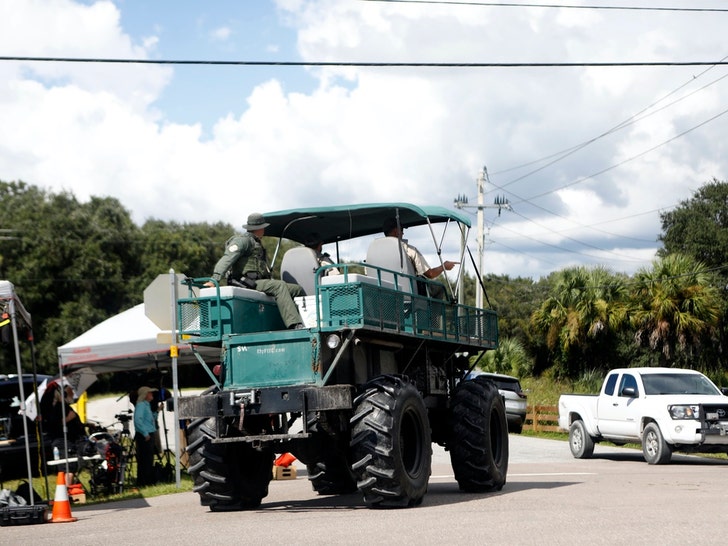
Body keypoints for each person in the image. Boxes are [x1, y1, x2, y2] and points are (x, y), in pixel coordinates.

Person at [209, 212, 306, 329]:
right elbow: (227, 259)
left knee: (297, 289)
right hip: (246, 282)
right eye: (263, 227)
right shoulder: (242, 241)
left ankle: (305, 320)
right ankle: (294, 324)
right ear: (259, 228)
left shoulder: (257, 243)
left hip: (258, 282)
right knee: (279, 286)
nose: (264, 230)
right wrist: (215, 279)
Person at [382, 217, 459, 299]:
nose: (402, 234)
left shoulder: (376, 250)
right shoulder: (408, 250)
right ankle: (433, 312)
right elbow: (430, 274)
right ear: (396, 231)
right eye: (402, 231)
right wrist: (444, 266)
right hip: (407, 294)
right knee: (439, 286)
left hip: (383, 293)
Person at [41, 383, 85, 485]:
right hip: (62, 441)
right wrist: (68, 418)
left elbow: (74, 424)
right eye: (70, 391)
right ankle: (67, 491)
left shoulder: (65, 406)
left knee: (73, 466)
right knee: (68, 468)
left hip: (73, 439)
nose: (73, 394)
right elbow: (54, 425)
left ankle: (72, 489)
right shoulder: (55, 408)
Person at [133, 385, 158, 487]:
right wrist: (145, 433)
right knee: (145, 459)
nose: (152, 394)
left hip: (149, 433)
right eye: (150, 393)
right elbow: (137, 420)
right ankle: (144, 481)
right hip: (145, 436)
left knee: (149, 458)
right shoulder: (141, 405)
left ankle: (147, 480)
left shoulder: (146, 405)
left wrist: (157, 412)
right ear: (145, 395)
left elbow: (150, 418)